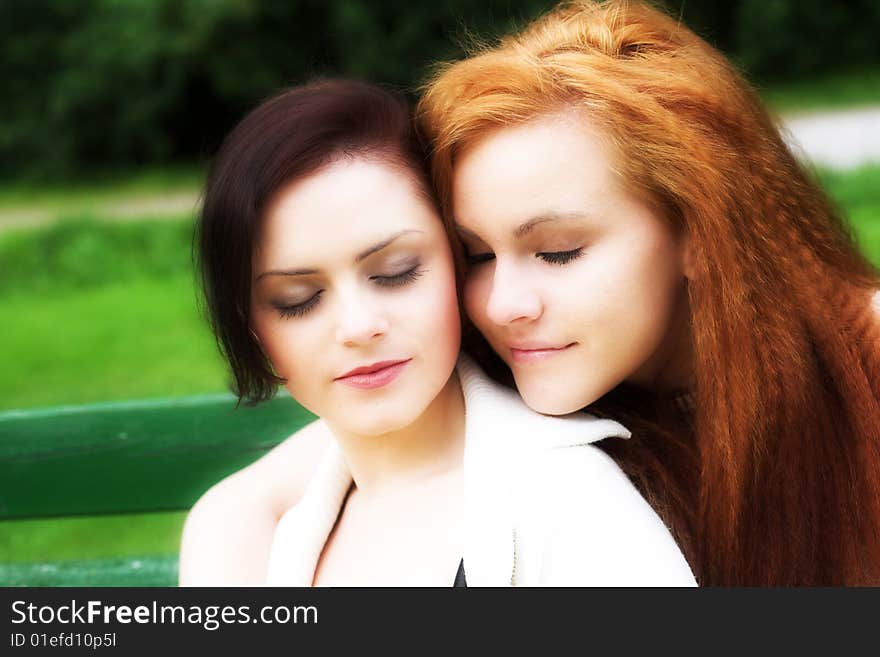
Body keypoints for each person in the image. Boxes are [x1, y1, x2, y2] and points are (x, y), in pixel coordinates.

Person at [416, 0, 880, 585]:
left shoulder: (863, 361)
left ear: (700, 232)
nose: (502, 304)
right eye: (477, 255)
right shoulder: (465, 383)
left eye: (557, 251)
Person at [178, 79, 696, 586]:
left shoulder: (576, 509)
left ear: (457, 264)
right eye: (298, 301)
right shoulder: (275, 530)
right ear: (252, 332)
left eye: (397, 271)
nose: (359, 327)